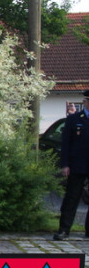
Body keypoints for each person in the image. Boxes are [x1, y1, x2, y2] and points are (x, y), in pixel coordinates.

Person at [53, 90, 89, 240]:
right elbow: (66, 144)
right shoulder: (74, 119)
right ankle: (64, 230)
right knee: (71, 198)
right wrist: (65, 164)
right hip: (77, 164)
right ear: (86, 102)